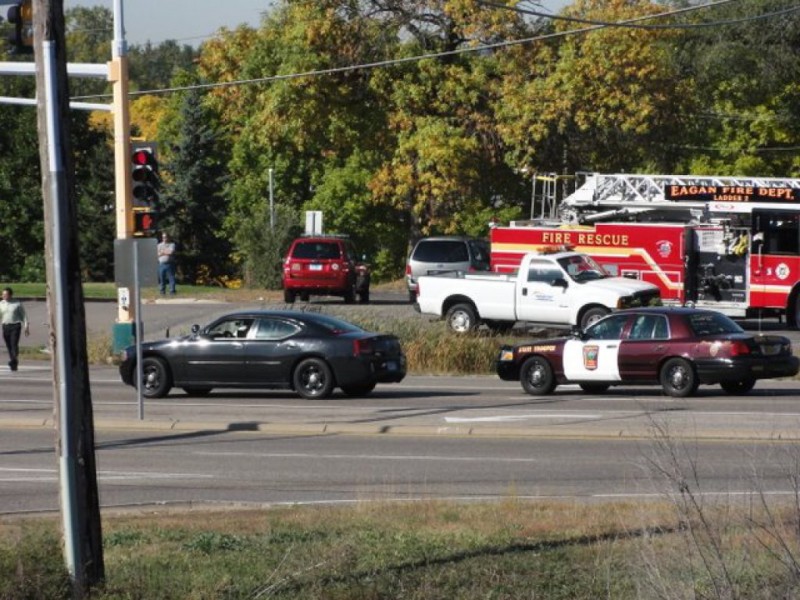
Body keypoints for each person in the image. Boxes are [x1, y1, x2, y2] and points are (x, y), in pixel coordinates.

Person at [0, 287, 29, 372]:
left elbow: (24, 316)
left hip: (15, 326)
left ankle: (13, 360)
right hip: (5, 326)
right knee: (9, 346)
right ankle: (14, 364)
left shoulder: (17, 303)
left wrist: (26, 326)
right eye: (3, 294)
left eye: (5, 294)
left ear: (10, 295)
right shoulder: (1, 303)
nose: (3, 296)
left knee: (14, 344)